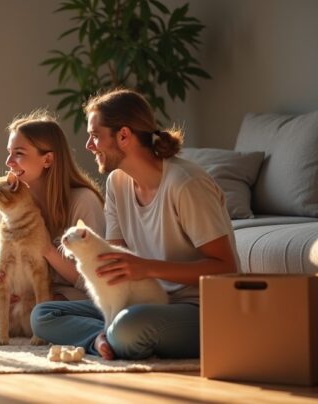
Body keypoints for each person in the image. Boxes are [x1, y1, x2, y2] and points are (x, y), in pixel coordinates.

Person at [31, 88, 239, 360]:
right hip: (138, 301)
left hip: (197, 309)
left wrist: (147, 268)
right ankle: (101, 338)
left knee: (129, 329)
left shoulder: (186, 184)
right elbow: (112, 261)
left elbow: (226, 268)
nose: (88, 145)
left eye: (95, 136)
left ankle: (112, 335)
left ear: (124, 136)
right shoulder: (117, 183)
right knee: (44, 314)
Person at [0, 110, 105, 333]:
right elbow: (3, 259)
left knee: (39, 312)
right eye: (9, 153)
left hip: (71, 290)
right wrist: (2, 275)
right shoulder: (10, 201)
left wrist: (46, 249)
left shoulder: (83, 201)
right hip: (26, 287)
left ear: (47, 159)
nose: (9, 162)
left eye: (18, 153)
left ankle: (95, 331)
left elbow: (92, 278)